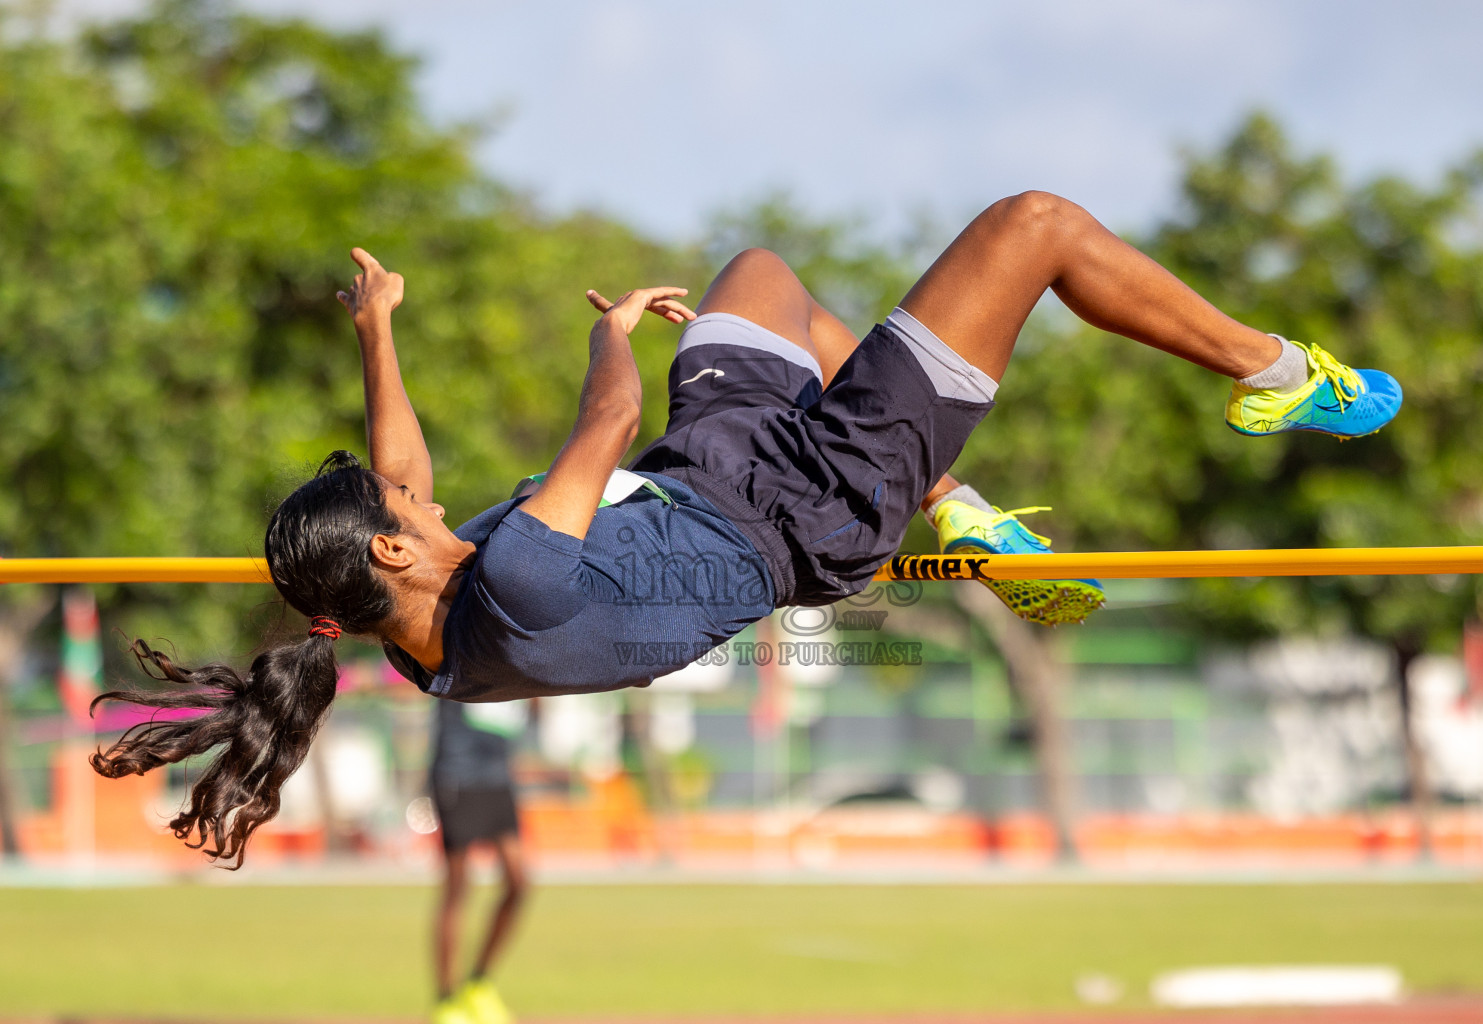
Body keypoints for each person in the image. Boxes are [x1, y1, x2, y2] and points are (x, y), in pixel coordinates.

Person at [91, 191, 1402, 866]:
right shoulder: (525, 588)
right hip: (815, 502)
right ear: (391, 553)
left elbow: (400, 469)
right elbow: (603, 423)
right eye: (409, 514)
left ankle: (966, 515)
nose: (423, 497)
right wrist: (607, 339)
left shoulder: (414, 635)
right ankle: (1277, 372)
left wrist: (379, 332)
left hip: (711, 469)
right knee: (1035, 227)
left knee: (763, 278)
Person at [427, 700, 527, 1024]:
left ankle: (478, 983)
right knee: (458, 888)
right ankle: (447, 1000)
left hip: (497, 774)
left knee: (518, 882)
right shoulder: (463, 647)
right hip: (457, 772)